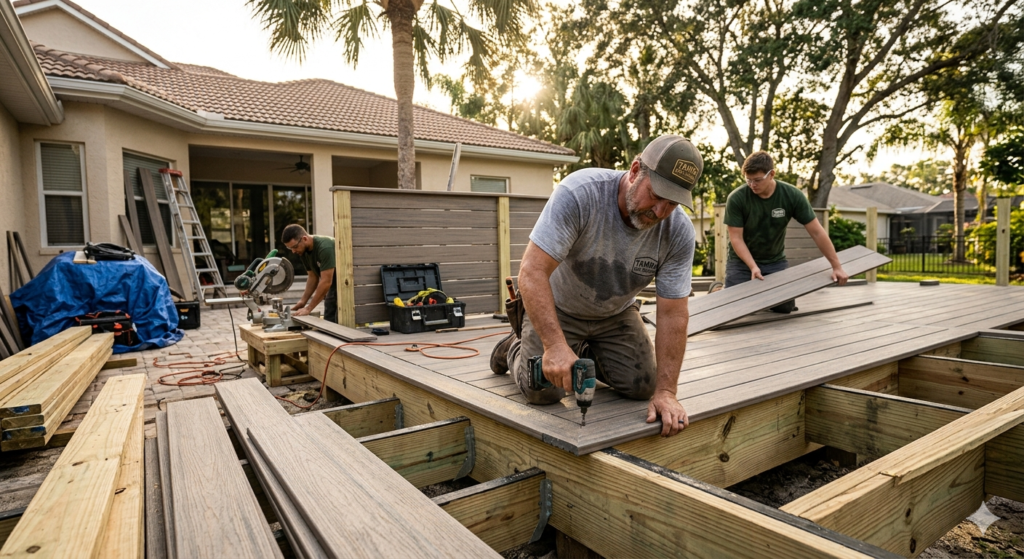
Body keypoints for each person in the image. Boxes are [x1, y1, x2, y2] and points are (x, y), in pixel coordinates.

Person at [490, 135, 701, 437]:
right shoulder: (581, 193)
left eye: (672, 203)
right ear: (635, 170)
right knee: (544, 392)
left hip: (616, 315)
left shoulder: (678, 231)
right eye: (656, 195)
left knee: (645, 387)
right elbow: (531, 272)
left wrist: (667, 391)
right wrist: (555, 346)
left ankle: (586, 349)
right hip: (559, 307)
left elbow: (674, 314)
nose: (659, 212)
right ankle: (513, 347)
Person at [722, 152, 848, 312]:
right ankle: (722, 290)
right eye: (748, 180)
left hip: (775, 262)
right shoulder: (737, 198)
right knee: (732, 309)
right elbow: (736, 238)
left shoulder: (791, 195)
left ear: (771, 174)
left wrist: (836, 266)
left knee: (785, 308)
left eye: (757, 180)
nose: (752, 184)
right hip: (741, 263)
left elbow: (817, 232)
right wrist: (753, 267)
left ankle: (759, 297)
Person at [280, 224, 338, 323]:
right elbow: (312, 277)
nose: (293, 251)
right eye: (290, 249)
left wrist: (309, 308)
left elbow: (326, 282)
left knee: (340, 322)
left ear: (304, 239)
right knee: (329, 320)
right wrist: (303, 301)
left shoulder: (325, 247)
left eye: (295, 247)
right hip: (333, 285)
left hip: (347, 284)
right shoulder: (303, 251)